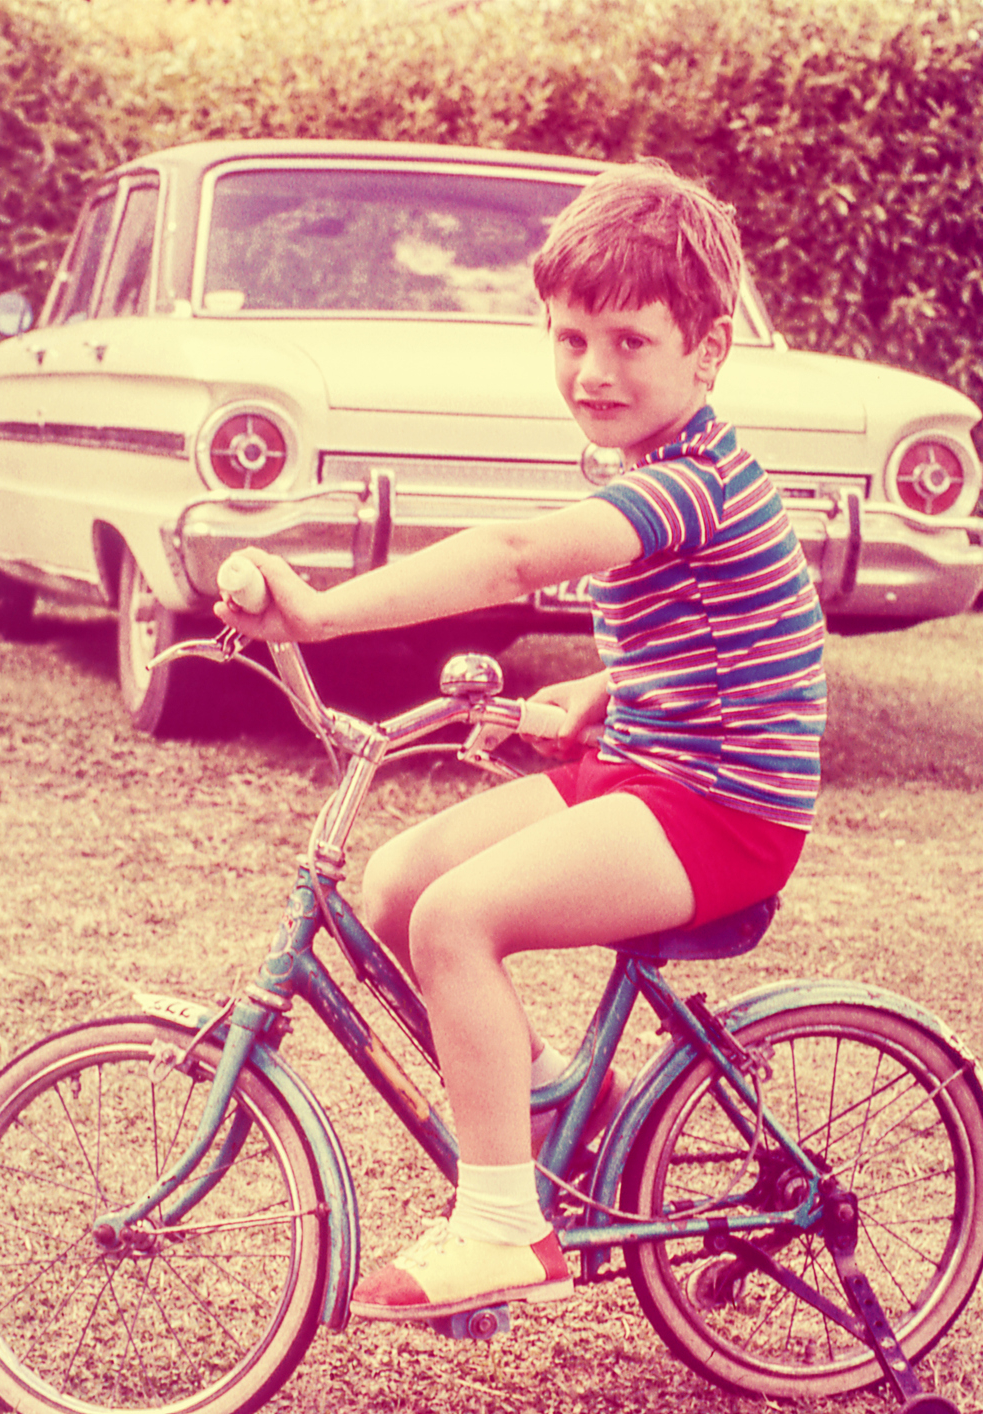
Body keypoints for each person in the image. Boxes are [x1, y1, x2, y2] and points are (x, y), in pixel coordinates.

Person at [214, 159, 828, 1321]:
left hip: (724, 815)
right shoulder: (660, 466)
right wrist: (603, 690)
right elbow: (731, 627)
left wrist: (324, 612)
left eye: (630, 342)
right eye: (570, 336)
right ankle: (553, 1104)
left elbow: (506, 560)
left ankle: (503, 1228)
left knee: (457, 919)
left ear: (706, 352)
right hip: (653, 766)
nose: (593, 371)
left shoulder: (688, 482)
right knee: (395, 883)